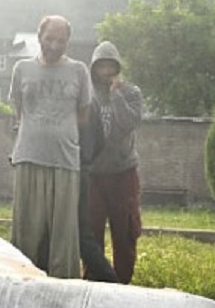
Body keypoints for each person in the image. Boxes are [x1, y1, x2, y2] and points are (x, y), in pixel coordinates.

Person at [8, 14, 91, 278]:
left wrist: (57, 131)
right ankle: (22, 281)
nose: (55, 45)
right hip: (28, 156)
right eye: (49, 38)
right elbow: (19, 110)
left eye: (61, 40)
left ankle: (63, 286)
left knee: (63, 233)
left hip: (64, 159)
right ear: (39, 37)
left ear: (68, 42)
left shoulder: (78, 71)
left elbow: (83, 115)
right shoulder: (22, 69)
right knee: (26, 229)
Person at [82, 41, 144, 283]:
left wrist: (116, 94)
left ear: (117, 68)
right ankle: (93, 279)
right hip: (93, 174)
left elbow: (129, 123)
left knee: (125, 231)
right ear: (94, 68)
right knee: (91, 230)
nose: (106, 72)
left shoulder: (131, 93)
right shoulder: (87, 95)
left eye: (110, 66)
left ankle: (123, 282)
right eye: (101, 67)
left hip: (123, 173)